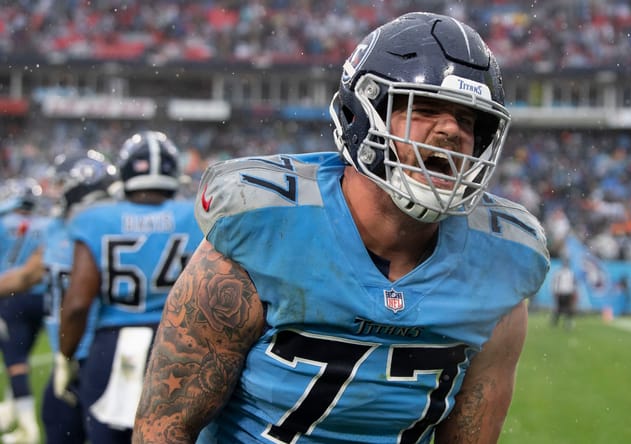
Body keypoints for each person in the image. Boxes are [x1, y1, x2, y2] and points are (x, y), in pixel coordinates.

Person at [134, 12, 549, 444]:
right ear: (362, 115)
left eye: (469, 121)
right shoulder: (264, 228)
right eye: (424, 108)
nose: (451, 130)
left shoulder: (501, 266)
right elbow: (164, 429)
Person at [59, 131, 203, 443]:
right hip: (180, 340)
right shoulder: (197, 214)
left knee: (106, 436)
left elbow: (77, 303)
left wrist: (65, 355)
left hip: (112, 345)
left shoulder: (96, 218)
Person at [40, 150, 119, 444]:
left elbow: (78, 303)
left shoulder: (104, 227)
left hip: (94, 351)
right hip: (71, 350)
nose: (56, 191)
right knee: (57, 422)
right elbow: (31, 273)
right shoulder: (56, 228)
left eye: (62, 183)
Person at [0, 178, 49, 443]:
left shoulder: (2, 222)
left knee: (15, 361)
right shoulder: (46, 224)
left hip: (11, 296)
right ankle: (10, 411)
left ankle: (27, 426)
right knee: (26, 355)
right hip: (44, 299)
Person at [551, 260, 578, 329]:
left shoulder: (571, 273)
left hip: (568, 292)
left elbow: (574, 283)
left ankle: (567, 322)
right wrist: (555, 291)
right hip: (561, 292)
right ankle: (555, 321)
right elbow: (555, 282)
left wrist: (574, 292)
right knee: (560, 308)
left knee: (568, 308)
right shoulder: (559, 273)